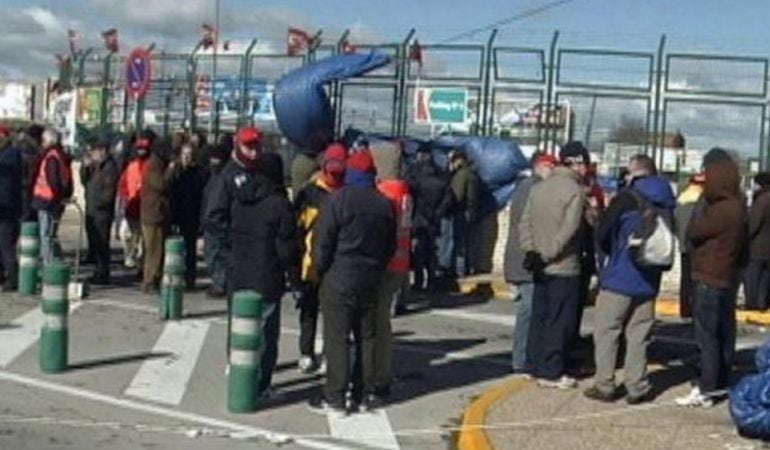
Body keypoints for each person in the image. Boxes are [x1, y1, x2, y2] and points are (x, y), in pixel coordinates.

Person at [206, 126, 301, 396]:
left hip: (244, 266)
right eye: (249, 146)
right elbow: (214, 223)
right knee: (260, 328)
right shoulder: (231, 181)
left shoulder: (246, 185)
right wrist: (220, 265)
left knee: (244, 322)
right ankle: (255, 378)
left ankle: (241, 369)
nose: (254, 151)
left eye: (257, 146)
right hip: (254, 268)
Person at [309, 149, 396, 414]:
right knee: (366, 338)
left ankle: (335, 396)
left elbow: (322, 244)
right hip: (369, 279)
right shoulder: (384, 205)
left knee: (337, 338)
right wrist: (376, 268)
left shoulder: (338, 200)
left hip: (339, 277)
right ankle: (363, 394)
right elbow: (390, 246)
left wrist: (321, 271)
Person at [583, 155, 675, 404]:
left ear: (635, 173)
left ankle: (605, 384)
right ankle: (637, 386)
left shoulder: (626, 198)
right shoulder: (667, 199)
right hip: (649, 276)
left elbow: (603, 233)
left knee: (607, 331)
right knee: (639, 334)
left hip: (620, 276)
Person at [676, 151, 746, 408]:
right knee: (724, 334)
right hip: (726, 278)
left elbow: (694, 231)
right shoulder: (738, 205)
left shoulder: (720, 210)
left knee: (706, 337)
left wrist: (701, 201)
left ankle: (706, 387)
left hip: (709, 277)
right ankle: (719, 382)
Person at [519, 153, 585, 389]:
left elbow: (524, 223)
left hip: (538, 263)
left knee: (540, 315)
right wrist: (549, 253)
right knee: (559, 321)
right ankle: (551, 370)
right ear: (575, 164)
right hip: (563, 266)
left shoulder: (539, 188)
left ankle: (532, 364)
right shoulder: (576, 191)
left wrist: (532, 251)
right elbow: (569, 230)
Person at [294, 143, 347, 373]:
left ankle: (326, 354)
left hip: (334, 264)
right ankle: (306, 352)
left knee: (331, 313)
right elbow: (297, 227)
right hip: (310, 262)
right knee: (309, 309)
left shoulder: (346, 193)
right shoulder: (309, 192)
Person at [503, 152, 557, 375]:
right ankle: (521, 359)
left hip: (524, 257)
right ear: (542, 166)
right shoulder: (531, 189)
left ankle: (524, 356)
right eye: (552, 168)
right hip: (524, 259)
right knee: (529, 310)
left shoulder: (527, 187)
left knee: (532, 308)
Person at [373, 142, 412, 396]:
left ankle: (379, 375)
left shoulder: (385, 192)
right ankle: (380, 372)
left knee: (377, 324)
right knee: (382, 320)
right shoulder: (405, 191)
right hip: (401, 262)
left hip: (384, 263)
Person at [406, 144, 452, 293]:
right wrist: (438, 213)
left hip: (418, 218)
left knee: (418, 251)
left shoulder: (414, 173)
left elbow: (409, 194)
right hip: (434, 219)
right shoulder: (440, 175)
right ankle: (432, 280)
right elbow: (448, 198)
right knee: (432, 251)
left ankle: (419, 281)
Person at [80, 137, 119, 284]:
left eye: (94, 152)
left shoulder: (109, 167)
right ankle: (97, 269)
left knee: (102, 242)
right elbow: (84, 181)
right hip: (91, 207)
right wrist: (85, 167)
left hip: (102, 211)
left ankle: (103, 272)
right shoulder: (95, 167)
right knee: (94, 242)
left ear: (102, 151)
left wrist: (101, 203)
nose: (93, 155)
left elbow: (109, 191)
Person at [168, 143, 207, 290]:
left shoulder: (199, 173)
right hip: (177, 213)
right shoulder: (176, 171)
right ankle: (175, 277)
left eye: (189, 155)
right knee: (175, 249)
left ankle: (190, 278)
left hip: (192, 215)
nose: (186, 157)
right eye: (184, 154)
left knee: (190, 250)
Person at [31, 129, 73, 265]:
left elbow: (54, 181)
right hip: (52, 201)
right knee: (51, 235)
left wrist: (55, 199)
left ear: (49, 141)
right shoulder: (60, 156)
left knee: (46, 235)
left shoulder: (51, 158)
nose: (42, 143)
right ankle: (57, 262)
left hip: (47, 201)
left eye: (43, 140)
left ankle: (49, 265)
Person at [118, 131, 153, 272]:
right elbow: (122, 184)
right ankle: (129, 257)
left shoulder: (150, 166)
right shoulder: (132, 166)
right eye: (139, 148)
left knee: (141, 238)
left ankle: (140, 263)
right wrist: (125, 196)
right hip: (131, 206)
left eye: (144, 149)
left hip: (144, 208)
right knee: (124, 234)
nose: (141, 151)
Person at [140, 137, 172, 293]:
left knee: (156, 249)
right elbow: (161, 185)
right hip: (153, 214)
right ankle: (150, 280)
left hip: (156, 212)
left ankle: (153, 278)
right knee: (154, 250)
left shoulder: (156, 164)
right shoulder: (153, 165)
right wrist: (171, 169)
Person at [201, 141, 231, 298]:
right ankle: (218, 281)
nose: (213, 162)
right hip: (210, 221)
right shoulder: (214, 176)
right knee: (211, 254)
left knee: (217, 254)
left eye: (216, 159)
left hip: (218, 223)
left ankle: (221, 283)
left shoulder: (223, 177)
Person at [675, 173, 706, 317]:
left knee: (685, 279)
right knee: (696, 279)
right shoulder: (701, 200)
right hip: (697, 245)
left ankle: (685, 309)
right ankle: (694, 309)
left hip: (683, 244)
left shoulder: (682, 198)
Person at [447, 150, 480, 277]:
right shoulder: (472, 173)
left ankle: (458, 271)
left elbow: (457, 196)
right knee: (466, 242)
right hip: (470, 212)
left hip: (461, 212)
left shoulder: (461, 175)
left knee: (459, 243)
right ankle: (465, 268)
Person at [744, 172, 770, 311]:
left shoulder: (761, 200)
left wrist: (744, 239)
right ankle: (762, 303)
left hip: (757, 247)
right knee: (765, 280)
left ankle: (752, 304)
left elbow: (753, 223)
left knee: (753, 277)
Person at [0, 127, 22, 292]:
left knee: (6, 244)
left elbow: (6, 184)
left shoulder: (10, 155)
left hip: (7, 208)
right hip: (6, 207)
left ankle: (13, 277)